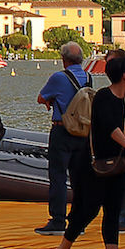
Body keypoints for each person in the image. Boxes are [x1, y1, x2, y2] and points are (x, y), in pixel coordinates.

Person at [55, 52, 125, 249]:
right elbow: (111, 128)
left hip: (117, 165)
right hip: (94, 164)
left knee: (113, 210)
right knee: (87, 210)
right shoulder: (102, 98)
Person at [34, 43, 91, 235]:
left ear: (63, 59)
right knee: (79, 179)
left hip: (62, 131)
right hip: (83, 132)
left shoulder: (59, 77)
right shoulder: (88, 77)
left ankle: (58, 220)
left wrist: (51, 100)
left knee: (58, 176)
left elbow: (41, 98)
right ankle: (79, 221)